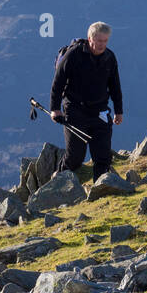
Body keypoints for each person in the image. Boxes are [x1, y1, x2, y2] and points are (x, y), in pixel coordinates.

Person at [49, 21, 123, 180]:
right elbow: (58, 82)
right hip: (75, 111)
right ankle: (57, 182)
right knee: (75, 157)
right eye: (99, 40)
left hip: (100, 112)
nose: (102, 44)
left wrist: (119, 111)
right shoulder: (74, 55)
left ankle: (100, 192)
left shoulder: (109, 57)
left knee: (103, 156)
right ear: (90, 39)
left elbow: (115, 85)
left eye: (105, 41)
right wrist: (55, 109)